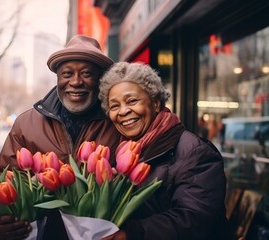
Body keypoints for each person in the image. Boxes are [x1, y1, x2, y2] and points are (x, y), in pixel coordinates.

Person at [0, 35, 121, 240]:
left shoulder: (117, 124)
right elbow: (3, 182)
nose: (76, 82)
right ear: (57, 78)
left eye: (86, 74)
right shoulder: (26, 124)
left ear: (100, 79)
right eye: (67, 73)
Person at [98, 62, 231, 240]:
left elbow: (194, 218)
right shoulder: (119, 152)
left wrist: (133, 233)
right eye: (114, 106)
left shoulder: (195, 152)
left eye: (132, 101)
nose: (123, 111)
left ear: (156, 104)